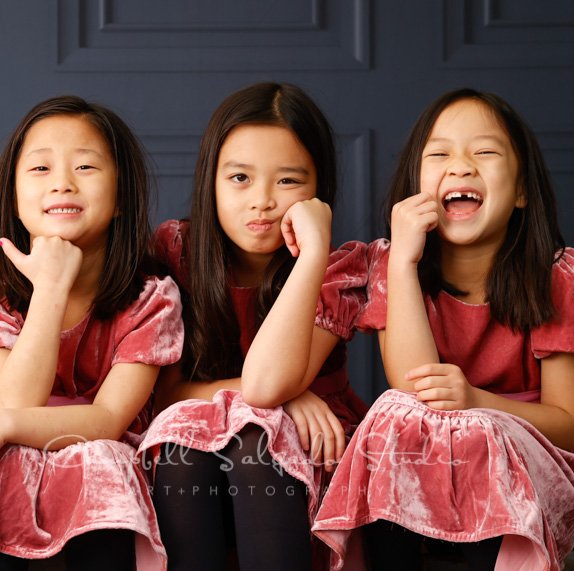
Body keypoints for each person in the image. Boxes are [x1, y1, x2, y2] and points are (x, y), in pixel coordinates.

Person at [312, 88, 574, 570]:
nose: (459, 167)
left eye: (484, 152)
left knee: (470, 430)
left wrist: (478, 402)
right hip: (434, 455)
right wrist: (403, 262)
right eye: (439, 154)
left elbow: (566, 425)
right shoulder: (393, 264)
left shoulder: (560, 276)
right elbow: (414, 386)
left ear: (521, 191)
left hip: (535, 457)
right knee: (396, 411)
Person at [0, 95, 183, 571]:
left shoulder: (152, 298)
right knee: (4, 460)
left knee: (99, 459)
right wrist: (51, 287)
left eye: (86, 167)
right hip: (12, 456)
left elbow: (106, 423)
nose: (62, 183)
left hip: (102, 465)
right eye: (40, 170)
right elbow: (16, 402)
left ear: (121, 198)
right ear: (14, 198)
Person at [138, 82, 369, 570]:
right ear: (211, 180)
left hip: (303, 458)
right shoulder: (177, 252)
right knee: (183, 443)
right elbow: (165, 396)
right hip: (199, 458)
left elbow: (267, 386)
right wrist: (276, 394)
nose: (262, 201)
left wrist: (311, 255)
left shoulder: (336, 270)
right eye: (240, 177)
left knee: (255, 441)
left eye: (288, 181)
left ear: (318, 192)